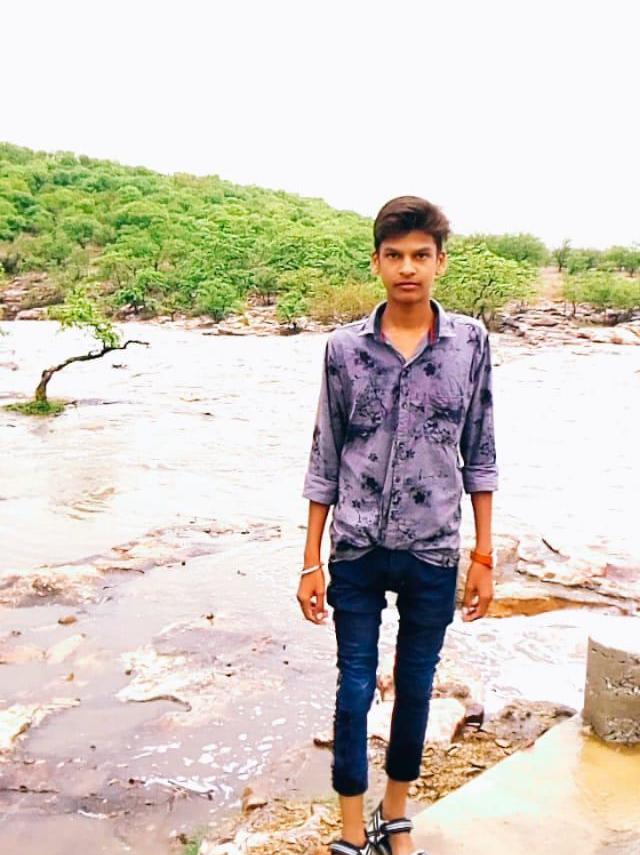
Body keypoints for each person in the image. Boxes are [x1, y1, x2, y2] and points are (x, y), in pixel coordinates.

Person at [297, 196, 498, 855]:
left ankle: (395, 814)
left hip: (434, 549)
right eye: (395, 255)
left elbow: (480, 451)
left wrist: (483, 555)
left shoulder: (470, 343)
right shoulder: (344, 349)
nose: (407, 267)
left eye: (420, 255)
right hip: (356, 546)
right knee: (354, 688)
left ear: (441, 262)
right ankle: (352, 830)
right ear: (377, 263)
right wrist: (310, 560)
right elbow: (325, 454)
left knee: (415, 687)